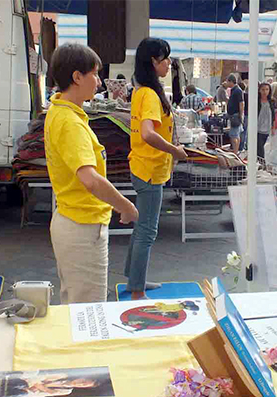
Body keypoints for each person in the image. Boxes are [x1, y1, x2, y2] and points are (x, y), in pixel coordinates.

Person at [45, 43, 139, 304]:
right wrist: (126, 205)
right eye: (95, 74)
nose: (98, 82)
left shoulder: (63, 111)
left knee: (76, 306)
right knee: (88, 310)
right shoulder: (69, 122)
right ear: (77, 77)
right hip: (81, 227)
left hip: (75, 221)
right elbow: (90, 179)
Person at [124, 38, 187, 300]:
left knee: (142, 227)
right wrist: (174, 151)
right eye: (166, 59)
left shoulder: (143, 90)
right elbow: (149, 134)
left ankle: (134, 279)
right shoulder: (149, 94)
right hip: (148, 169)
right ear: (153, 61)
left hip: (144, 166)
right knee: (148, 230)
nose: (169, 63)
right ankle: (137, 289)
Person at [257, 82, 276, 161]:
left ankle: (259, 163)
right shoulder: (256, 101)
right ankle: (262, 164)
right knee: (259, 147)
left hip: (267, 128)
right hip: (257, 128)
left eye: (267, 89)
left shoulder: (271, 101)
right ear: (259, 90)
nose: (265, 92)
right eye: (263, 89)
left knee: (261, 146)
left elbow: (273, 115)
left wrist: (273, 127)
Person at [226, 73, 245, 153]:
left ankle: (235, 151)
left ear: (231, 81)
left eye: (227, 81)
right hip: (233, 115)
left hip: (235, 115)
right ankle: (235, 150)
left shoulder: (237, 90)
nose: (226, 83)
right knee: (236, 134)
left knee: (234, 135)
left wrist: (240, 115)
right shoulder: (234, 90)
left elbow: (241, 103)